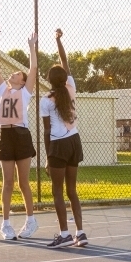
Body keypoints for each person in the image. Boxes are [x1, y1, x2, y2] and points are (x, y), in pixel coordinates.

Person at [0, 23, 39, 240]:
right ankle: (6, 224)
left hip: (21, 136)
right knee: (7, 182)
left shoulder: (25, 93)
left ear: (23, 81)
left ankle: (31, 220)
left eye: (17, 73)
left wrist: (32, 48)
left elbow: (34, 69)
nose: (13, 74)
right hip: (5, 136)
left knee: (23, 182)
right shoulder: (2, 90)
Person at [40, 29, 87, 249]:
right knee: (72, 190)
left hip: (58, 145)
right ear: (65, 79)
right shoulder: (71, 88)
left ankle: (64, 234)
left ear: (48, 80)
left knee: (57, 191)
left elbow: (47, 131)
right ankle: (81, 232)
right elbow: (65, 61)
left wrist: (48, 157)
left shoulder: (46, 100)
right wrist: (58, 40)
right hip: (74, 141)